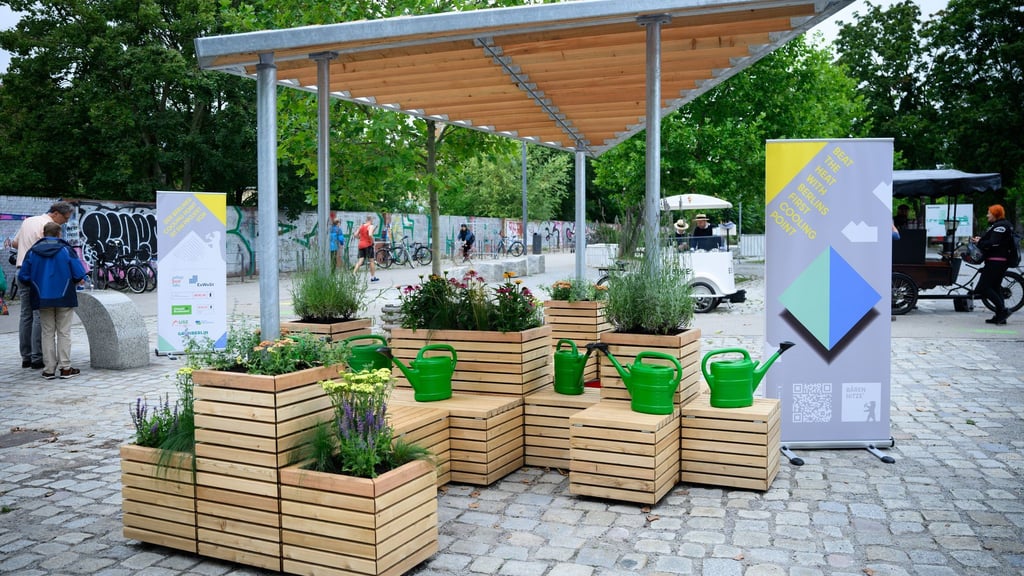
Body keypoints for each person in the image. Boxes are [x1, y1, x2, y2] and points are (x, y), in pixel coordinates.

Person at [18, 221, 87, 380]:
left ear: (43, 234)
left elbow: (23, 276)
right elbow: (78, 274)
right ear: (59, 234)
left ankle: (49, 369)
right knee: (64, 332)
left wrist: (36, 284)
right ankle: (65, 368)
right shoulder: (66, 250)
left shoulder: (33, 251)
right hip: (65, 296)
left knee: (47, 333)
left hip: (42, 298)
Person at [12, 201, 74, 369]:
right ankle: (37, 357)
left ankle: (25, 356)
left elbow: (15, 243)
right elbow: (48, 250)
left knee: (25, 315)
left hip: (21, 271)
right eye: (64, 218)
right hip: (37, 274)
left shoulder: (28, 221)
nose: (65, 222)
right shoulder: (47, 225)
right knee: (40, 315)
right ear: (55, 213)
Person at [971, 204, 1014, 325]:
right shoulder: (1005, 225)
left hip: (996, 261)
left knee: (983, 288)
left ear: (995, 214)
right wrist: (982, 240)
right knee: (995, 287)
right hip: (1000, 261)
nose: (987, 215)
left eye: (989, 213)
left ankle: (1003, 311)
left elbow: (993, 243)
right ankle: (1001, 316)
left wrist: (980, 241)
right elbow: (996, 241)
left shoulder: (1000, 227)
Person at [352, 215, 379, 282]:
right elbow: (370, 234)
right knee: (371, 261)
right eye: (372, 219)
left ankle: (354, 273)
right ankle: (373, 277)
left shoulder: (361, 226)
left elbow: (355, 235)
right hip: (368, 245)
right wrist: (372, 241)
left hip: (361, 245)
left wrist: (360, 238)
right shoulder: (371, 226)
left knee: (360, 260)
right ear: (371, 219)